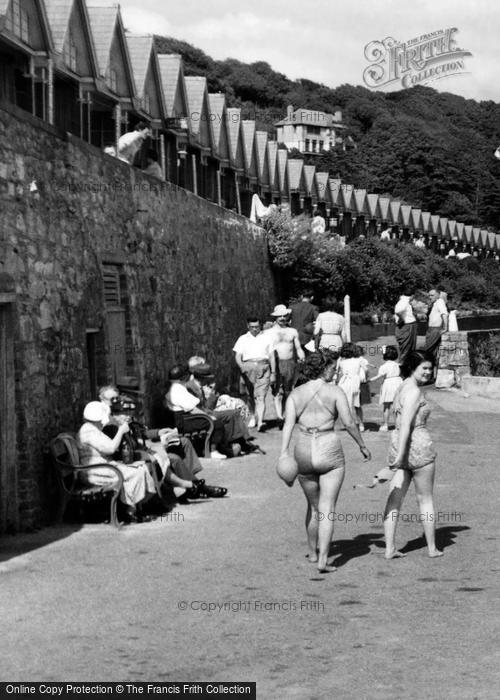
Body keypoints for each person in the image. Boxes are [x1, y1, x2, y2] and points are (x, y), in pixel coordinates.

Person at [280, 350, 371, 573]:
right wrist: (362, 445)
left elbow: (288, 425)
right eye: (333, 368)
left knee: (312, 507)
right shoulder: (335, 391)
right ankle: (323, 561)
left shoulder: (295, 394)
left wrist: (283, 453)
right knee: (327, 508)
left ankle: (312, 553)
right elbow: (349, 423)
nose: (335, 371)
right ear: (324, 368)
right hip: (328, 447)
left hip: (303, 449)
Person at [383, 351, 444, 559]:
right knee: (425, 499)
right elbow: (408, 424)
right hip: (416, 445)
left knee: (394, 499)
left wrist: (397, 454)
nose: (428, 372)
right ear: (412, 367)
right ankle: (432, 548)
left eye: (429, 368)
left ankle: (390, 548)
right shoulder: (415, 392)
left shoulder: (401, 387)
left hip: (397, 441)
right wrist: (401, 455)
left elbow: (397, 420)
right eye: (424, 368)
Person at [77, 401, 156, 522]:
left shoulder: (92, 429)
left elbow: (109, 446)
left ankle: (137, 507)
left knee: (141, 469)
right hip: (94, 471)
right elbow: (110, 448)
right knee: (136, 473)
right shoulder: (88, 431)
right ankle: (130, 510)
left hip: (103, 467)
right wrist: (121, 431)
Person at [165, 364, 256, 458]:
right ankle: (216, 450)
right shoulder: (180, 389)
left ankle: (239, 441)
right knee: (217, 422)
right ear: (183, 377)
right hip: (188, 419)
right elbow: (193, 408)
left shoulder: (179, 388)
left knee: (233, 413)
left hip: (193, 415)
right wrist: (208, 414)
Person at [233, 317, 275, 430]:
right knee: (250, 396)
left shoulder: (267, 338)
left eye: (257, 327)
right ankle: (252, 416)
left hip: (263, 367)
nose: (255, 329)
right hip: (248, 367)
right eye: (252, 327)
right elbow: (238, 356)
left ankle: (260, 422)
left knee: (260, 396)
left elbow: (271, 356)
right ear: (248, 326)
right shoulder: (242, 339)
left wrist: (273, 372)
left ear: (260, 326)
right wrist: (242, 366)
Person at [267, 304, 305, 427]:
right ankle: (279, 417)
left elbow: (298, 347)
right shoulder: (269, 333)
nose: (282, 318)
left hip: (290, 363)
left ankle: (285, 414)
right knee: (278, 391)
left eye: (284, 315)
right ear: (275, 317)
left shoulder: (292, 331)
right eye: (280, 316)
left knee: (288, 391)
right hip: (276, 364)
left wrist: (301, 355)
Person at [369, 345, 402, 431]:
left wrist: (370, 380)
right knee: (397, 406)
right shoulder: (398, 365)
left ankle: (386, 424)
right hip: (398, 383)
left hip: (388, 384)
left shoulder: (384, 366)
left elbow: (379, 376)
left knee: (386, 406)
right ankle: (398, 425)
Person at [337, 342, 365, 430]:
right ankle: (361, 424)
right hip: (356, 383)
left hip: (345, 383)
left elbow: (338, 372)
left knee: (346, 405)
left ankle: (348, 423)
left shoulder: (341, 362)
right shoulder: (358, 360)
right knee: (358, 405)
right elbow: (365, 370)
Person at [394, 285, 417, 367]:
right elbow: (398, 311)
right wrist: (402, 319)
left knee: (407, 350)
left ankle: (406, 368)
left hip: (408, 326)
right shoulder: (404, 301)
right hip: (407, 326)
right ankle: (402, 369)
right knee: (406, 349)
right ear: (412, 295)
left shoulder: (404, 301)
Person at [425, 288, 449, 363]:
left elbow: (444, 314)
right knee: (432, 352)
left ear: (438, 295)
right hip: (431, 329)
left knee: (428, 351)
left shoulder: (440, 302)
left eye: (432, 295)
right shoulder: (435, 303)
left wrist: (445, 327)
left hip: (435, 329)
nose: (430, 297)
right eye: (429, 295)